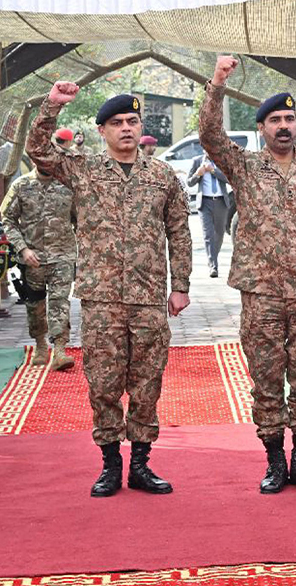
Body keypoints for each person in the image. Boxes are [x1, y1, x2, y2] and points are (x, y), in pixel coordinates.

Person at [27, 85, 192, 497]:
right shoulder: (83, 169)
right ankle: (110, 464)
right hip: (101, 298)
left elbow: (179, 231)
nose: (126, 129)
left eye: (132, 122)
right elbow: (38, 149)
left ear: (141, 127)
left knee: (147, 381)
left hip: (149, 297)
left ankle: (140, 463)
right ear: (102, 131)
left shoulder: (161, 175)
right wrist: (52, 106)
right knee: (102, 382)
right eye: (116, 123)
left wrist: (181, 286)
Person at [200, 56, 296, 494]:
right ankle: (274, 461)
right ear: (262, 127)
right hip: (260, 293)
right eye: (275, 120)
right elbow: (209, 135)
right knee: (266, 379)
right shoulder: (244, 167)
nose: (284, 126)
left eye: (289, 118)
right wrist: (218, 83)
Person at [2, 167, 77, 370]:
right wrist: (23, 249)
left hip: (62, 256)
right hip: (32, 258)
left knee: (59, 302)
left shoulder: (68, 185)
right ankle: (41, 345)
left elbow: (81, 219)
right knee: (35, 306)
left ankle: (60, 350)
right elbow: (7, 219)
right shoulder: (21, 185)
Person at [187, 152, 233, 278]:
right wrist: (198, 174)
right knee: (208, 234)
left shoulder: (222, 160)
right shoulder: (197, 161)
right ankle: (213, 265)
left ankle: (213, 256)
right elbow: (189, 182)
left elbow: (229, 179)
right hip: (204, 202)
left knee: (219, 233)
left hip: (220, 202)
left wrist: (213, 171)